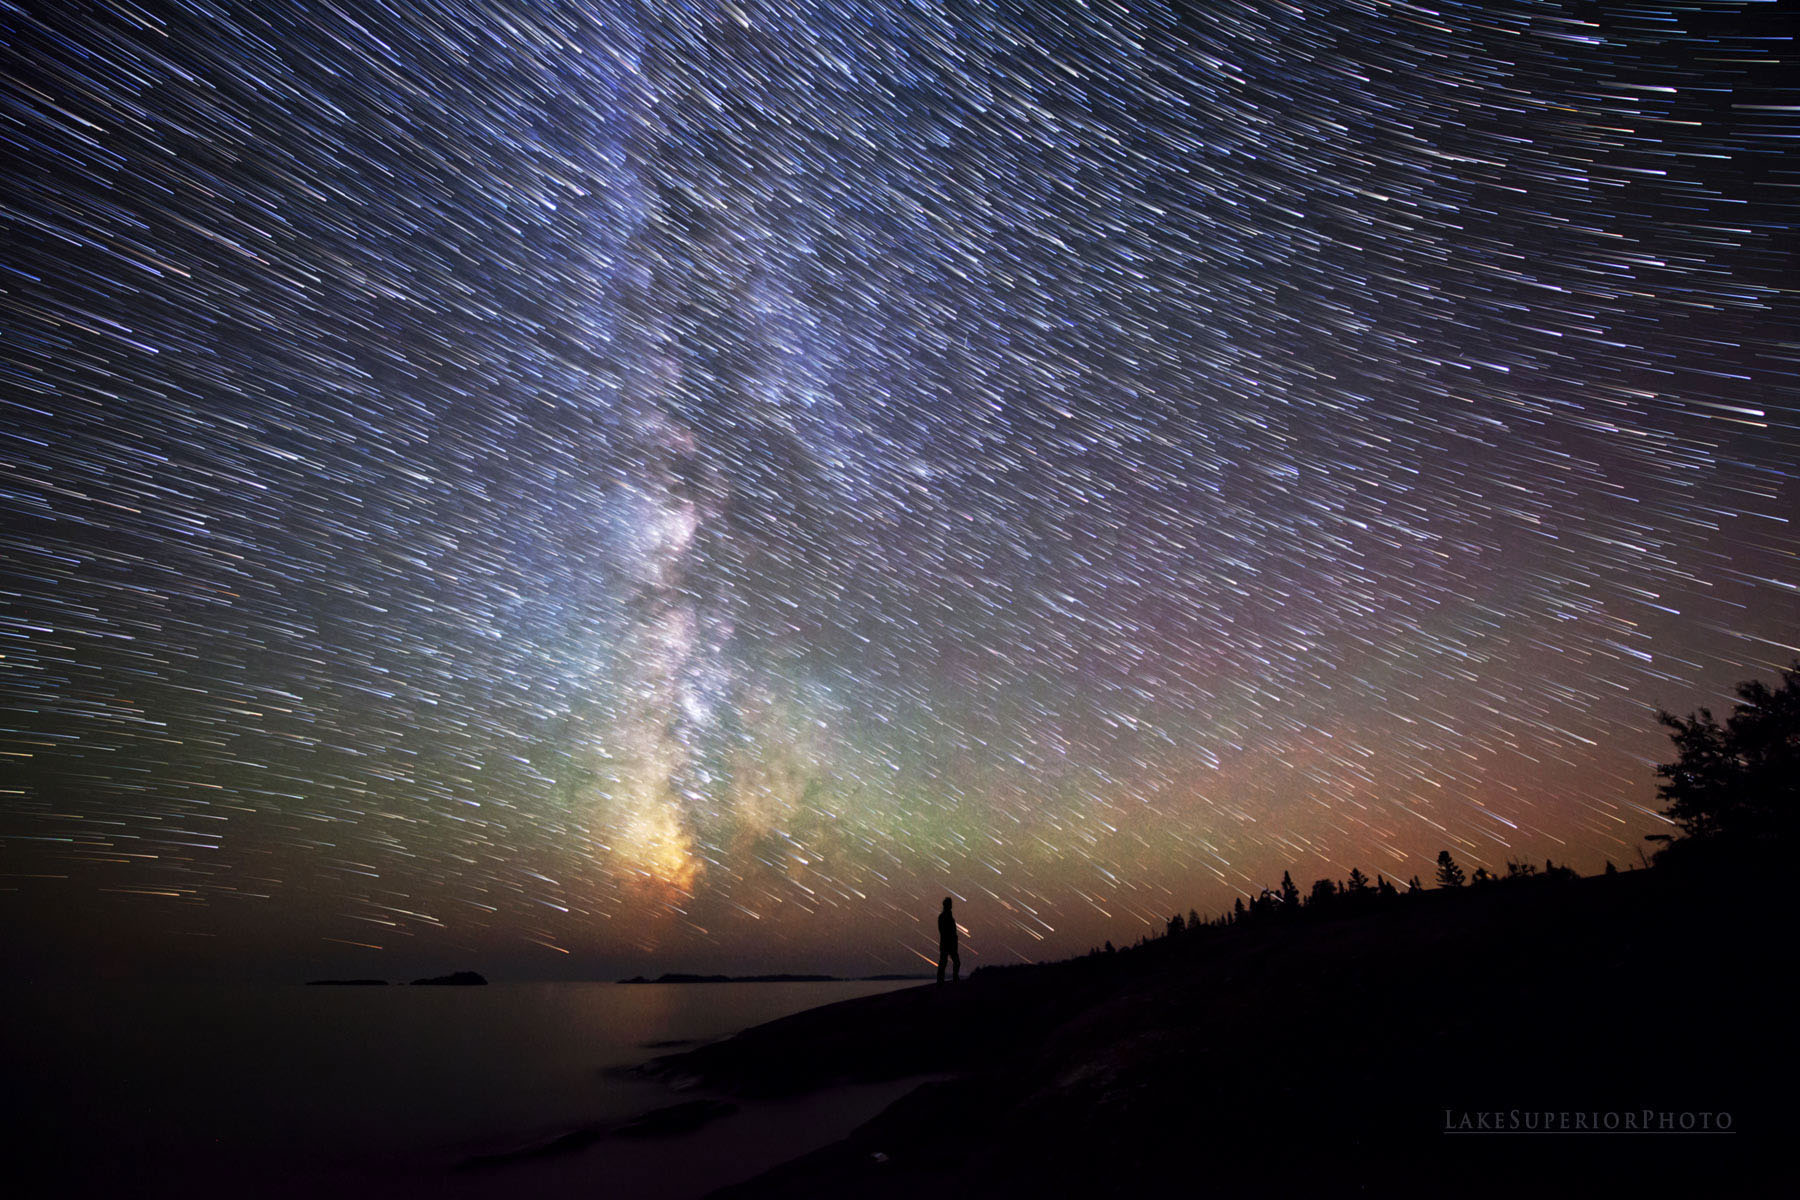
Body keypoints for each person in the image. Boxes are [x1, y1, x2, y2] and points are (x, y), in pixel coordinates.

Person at [936, 896, 960, 983]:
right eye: (950, 904)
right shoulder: (943, 917)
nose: (951, 906)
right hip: (947, 943)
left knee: (946, 962)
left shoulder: (946, 916)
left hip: (948, 943)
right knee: (945, 962)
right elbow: (943, 931)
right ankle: (942, 980)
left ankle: (944, 980)